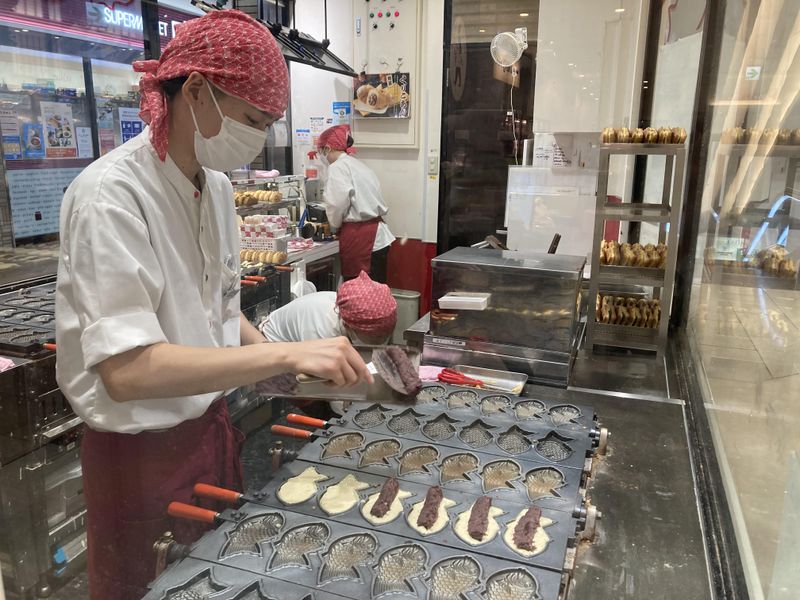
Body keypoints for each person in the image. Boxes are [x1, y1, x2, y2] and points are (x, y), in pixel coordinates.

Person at [54, 11, 370, 600]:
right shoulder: (112, 196)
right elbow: (127, 371)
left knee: (214, 582)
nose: (257, 137)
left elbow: (220, 309)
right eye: (251, 120)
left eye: (268, 124)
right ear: (196, 91)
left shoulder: (217, 186)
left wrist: (279, 362)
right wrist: (289, 353)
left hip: (209, 431)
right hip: (140, 457)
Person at [316, 124, 395, 283]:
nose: (322, 156)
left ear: (328, 148)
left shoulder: (338, 167)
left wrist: (334, 224)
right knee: (376, 291)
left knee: (360, 292)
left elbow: (336, 204)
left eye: (322, 151)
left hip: (362, 238)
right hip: (378, 236)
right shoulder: (358, 165)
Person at [261, 271, 398, 345]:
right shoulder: (322, 330)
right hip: (272, 343)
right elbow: (318, 378)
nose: (378, 341)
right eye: (373, 339)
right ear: (350, 326)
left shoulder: (348, 308)